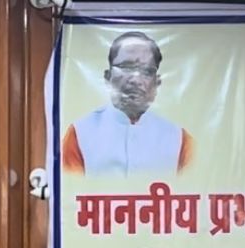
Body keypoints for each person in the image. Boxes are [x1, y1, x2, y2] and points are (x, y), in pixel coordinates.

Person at [62, 31, 194, 178]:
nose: (135, 80)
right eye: (126, 67)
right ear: (108, 77)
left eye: (146, 71)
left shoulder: (179, 140)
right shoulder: (80, 134)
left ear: (157, 83)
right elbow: (70, 188)